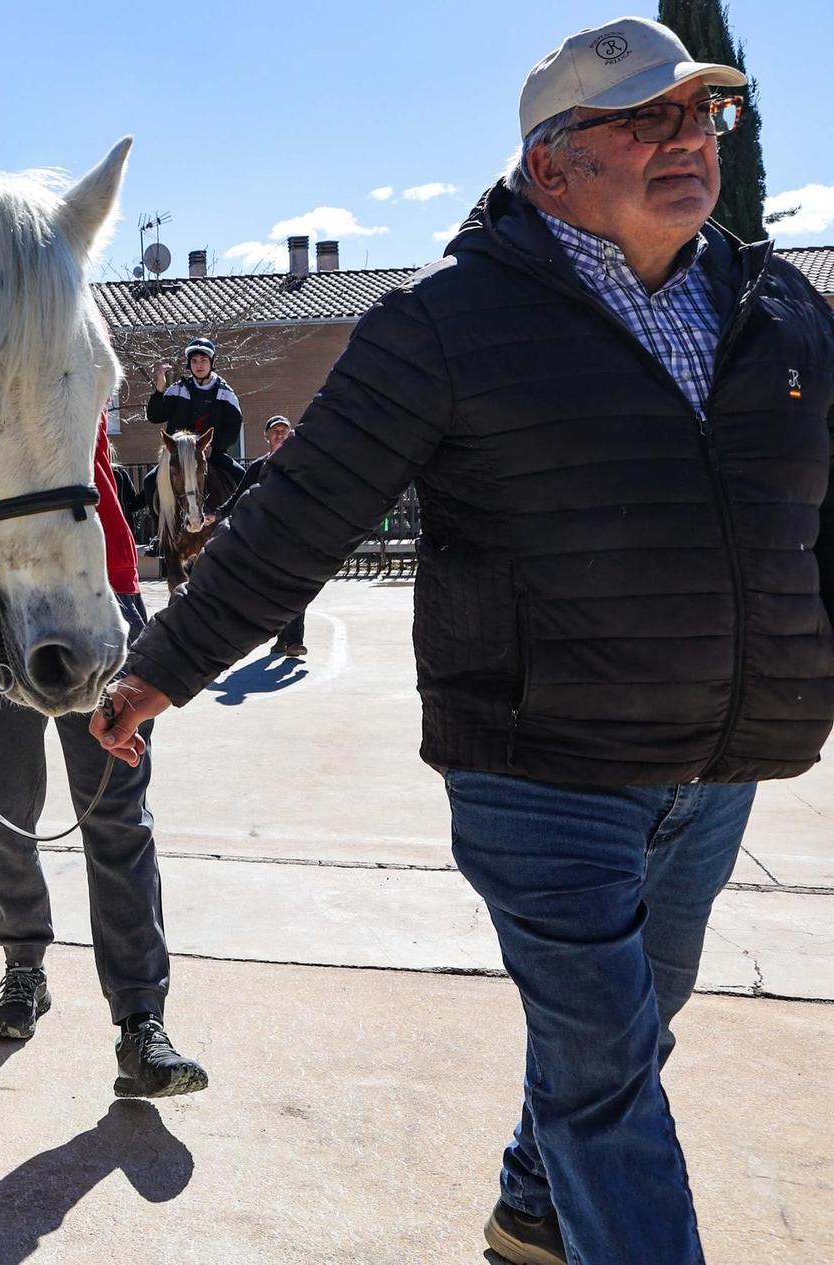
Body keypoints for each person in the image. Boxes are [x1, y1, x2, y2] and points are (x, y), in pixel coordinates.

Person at [92, 18, 830, 1265]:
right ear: (550, 168)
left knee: (629, 1032)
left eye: (698, 116)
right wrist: (166, 661)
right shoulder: (442, 323)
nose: (681, 140)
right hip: (538, 767)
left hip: (719, 764)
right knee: (607, 1077)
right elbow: (303, 506)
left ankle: (533, 1210)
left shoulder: (782, 314)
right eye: (640, 120)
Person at [0, 416, 209, 1100]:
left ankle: (140, 1019)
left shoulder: (68, 335)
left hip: (99, 601)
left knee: (118, 817)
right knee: (2, 815)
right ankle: (24, 965)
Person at [217, 415, 308, 658]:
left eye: (284, 430)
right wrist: (216, 514)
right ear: (265, 436)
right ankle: (283, 637)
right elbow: (238, 496)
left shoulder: (301, 464)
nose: (279, 434)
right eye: (274, 430)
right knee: (274, 589)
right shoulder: (258, 467)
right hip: (266, 536)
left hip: (295, 535)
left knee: (296, 587)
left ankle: (294, 641)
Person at [146, 336, 246, 504]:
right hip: (178, 456)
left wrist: (214, 446)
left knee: (242, 477)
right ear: (189, 364)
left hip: (213, 454)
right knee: (149, 482)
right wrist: (159, 389)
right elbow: (155, 417)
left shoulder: (226, 393)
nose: (199, 365)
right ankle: (160, 527)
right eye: (194, 361)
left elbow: (233, 430)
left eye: (203, 360)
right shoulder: (177, 389)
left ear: (212, 362)